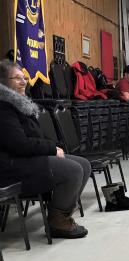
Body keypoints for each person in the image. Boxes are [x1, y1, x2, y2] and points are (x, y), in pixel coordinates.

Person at [0, 60, 90, 239]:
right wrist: (50, 149)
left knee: (84, 165)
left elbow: (36, 135)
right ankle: (58, 223)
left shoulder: (19, 104)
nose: (23, 81)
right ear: (3, 81)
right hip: (11, 166)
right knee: (73, 170)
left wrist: (55, 146)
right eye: (17, 78)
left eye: (24, 78)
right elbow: (18, 144)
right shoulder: (3, 107)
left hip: (26, 159)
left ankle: (60, 214)